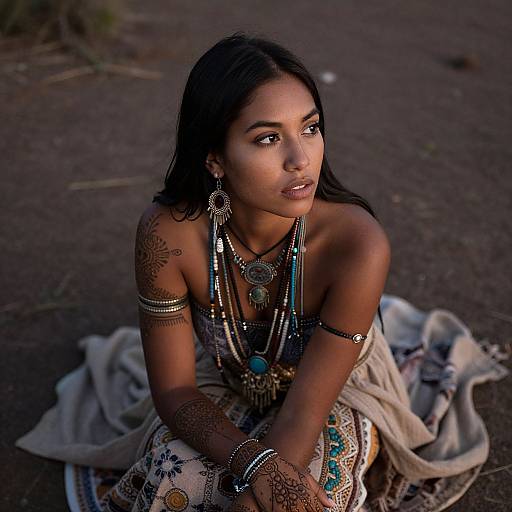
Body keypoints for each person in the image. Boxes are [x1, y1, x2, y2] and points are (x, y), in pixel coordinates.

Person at [15, 32, 510, 512]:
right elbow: (174, 390)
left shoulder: (357, 245)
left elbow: (304, 413)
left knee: (311, 498)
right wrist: (257, 464)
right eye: (269, 137)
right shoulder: (167, 236)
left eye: (310, 128)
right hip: (222, 378)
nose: (301, 160)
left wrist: (257, 496)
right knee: (176, 477)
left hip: (335, 390)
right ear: (214, 158)